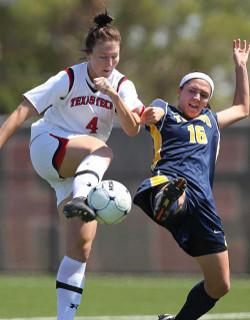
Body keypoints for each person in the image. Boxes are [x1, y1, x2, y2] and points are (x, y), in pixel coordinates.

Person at [0, 12, 144, 320]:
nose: (110, 63)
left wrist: (114, 95)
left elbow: (133, 129)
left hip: (79, 170)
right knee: (103, 149)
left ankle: (65, 318)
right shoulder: (69, 77)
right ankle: (82, 196)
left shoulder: (123, 85)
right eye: (103, 56)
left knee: (82, 245)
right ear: (89, 54)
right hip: (48, 145)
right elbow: (24, 108)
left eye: (115, 56)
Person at [133, 39, 250, 320]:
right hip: (165, 182)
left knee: (220, 285)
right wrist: (151, 114)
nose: (197, 98)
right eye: (192, 91)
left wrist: (241, 67)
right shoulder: (167, 112)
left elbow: (244, 108)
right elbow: (154, 112)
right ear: (180, 92)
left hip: (204, 206)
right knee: (174, 191)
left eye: (203, 95)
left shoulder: (211, 122)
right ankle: (170, 200)